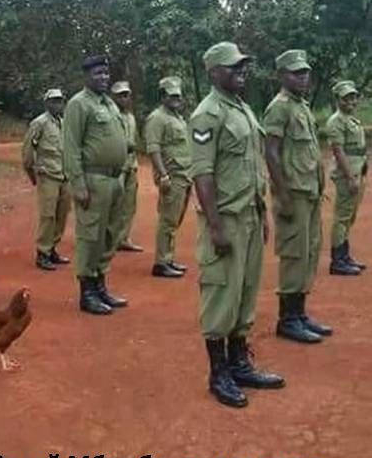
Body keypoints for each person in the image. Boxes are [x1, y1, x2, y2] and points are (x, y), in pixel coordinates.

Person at [190, 42, 284, 408]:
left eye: (243, 64)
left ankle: (239, 363)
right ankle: (219, 373)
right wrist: (215, 226)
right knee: (221, 295)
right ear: (214, 72)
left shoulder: (242, 108)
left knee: (245, 292)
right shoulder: (207, 114)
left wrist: (262, 212)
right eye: (233, 66)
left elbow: (251, 165)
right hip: (226, 218)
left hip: (250, 216)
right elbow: (203, 174)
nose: (241, 70)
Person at [263, 50, 332, 343]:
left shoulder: (301, 106)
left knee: (309, 252)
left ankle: (300, 313)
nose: (303, 77)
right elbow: (271, 152)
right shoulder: (279, 107)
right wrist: (283, 195)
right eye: (296, 73)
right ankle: (287, 319)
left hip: (309, 191)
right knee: (294, 254)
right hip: (293, 193)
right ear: (282, 75)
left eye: (305, 72)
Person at [63, 55, 129, 315]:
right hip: (93, 181)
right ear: (87, 76)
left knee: (110, 235)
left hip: (114, 179)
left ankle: (100, 285)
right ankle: (87, 292)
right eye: (98, 73)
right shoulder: (78, 104)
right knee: (90, 237)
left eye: (106, 73)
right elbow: (71, 147)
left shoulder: (109, 104)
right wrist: (78, 184)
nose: (103, 77)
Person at [145, 76, 191, 278]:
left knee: (174, 220)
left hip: (184, 174)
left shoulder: (177, 117)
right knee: (168, 220)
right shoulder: (157, 118)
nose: (176, 99)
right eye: (172, 96)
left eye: (178, 96)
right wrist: (163, 175)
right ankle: (161, 263)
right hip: (171, 175)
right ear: (162, 96)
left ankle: (168, 258)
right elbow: (153, 149)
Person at [22, 88, 71, 271]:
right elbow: (28, 150)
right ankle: (42, 253)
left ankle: (52, 248)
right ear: (47, 103)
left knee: (62, 214)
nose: (58, 104)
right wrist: (32, 173)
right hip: (48, 175)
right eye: (54, 101)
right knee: (48, 215)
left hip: (64, 175)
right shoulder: (39, 123)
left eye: (60, 100)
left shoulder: (64, 123)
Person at [326, 80, 367, 275]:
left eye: (353, 97)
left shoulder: (350, 119)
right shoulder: (336, 121)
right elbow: (338, 151)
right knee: (342, 217)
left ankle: (345, 255)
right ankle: (338, 260)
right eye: (346, 98)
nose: (351, 101)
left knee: (350, 216)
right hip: (347, 174)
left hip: (358, 171)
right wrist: (350, 178)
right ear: (337, 99)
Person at [110, 81, 143, 253]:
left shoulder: (131, 117)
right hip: (116, 166)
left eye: (126, 95)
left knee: (129, 204)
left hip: (131, 164)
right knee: (114, 203)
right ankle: (110, 239)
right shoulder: (110, 116)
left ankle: (123, 238)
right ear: (114, 97)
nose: (124, 98)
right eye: (120, 95)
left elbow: (135, 140)